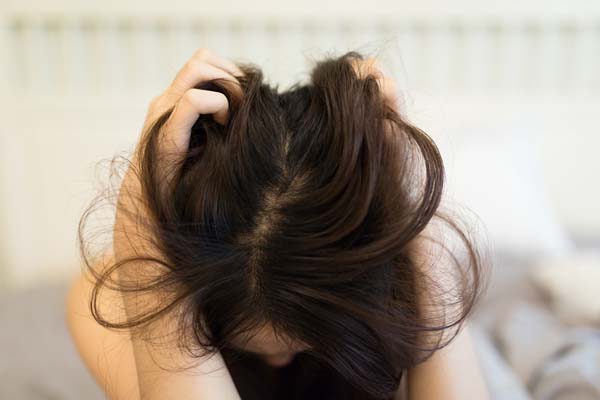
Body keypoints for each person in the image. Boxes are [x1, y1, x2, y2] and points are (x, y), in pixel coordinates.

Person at [65, 47, 491, 399]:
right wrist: (140, 214)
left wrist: (410, 200)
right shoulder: (109, 297)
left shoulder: (404, 285)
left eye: (304, 343)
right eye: (242, 342)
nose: (279, 361)